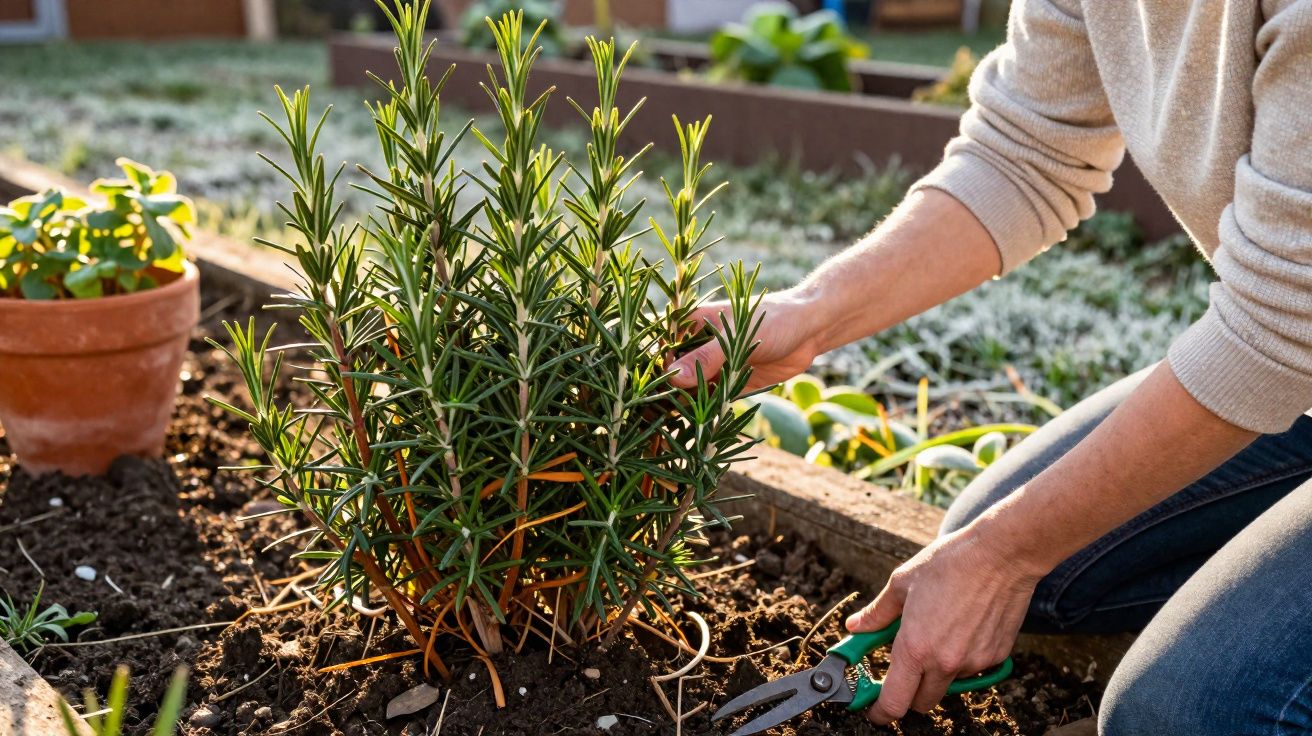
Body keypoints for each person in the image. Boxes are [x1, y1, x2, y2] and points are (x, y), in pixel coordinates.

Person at [667, 0, 1312, 733]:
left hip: (1292, 348)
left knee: (1186, 716)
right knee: (1008, 550)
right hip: (1300, 380)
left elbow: (1282, 322)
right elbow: (1023, 155)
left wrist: (1005, 555)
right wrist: (810, 315)